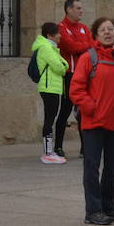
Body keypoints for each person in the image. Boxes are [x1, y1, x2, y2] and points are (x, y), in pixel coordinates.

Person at [68, 17, 114, 225]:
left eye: (111, 29)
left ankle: (108, 207)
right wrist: (91, 108)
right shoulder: (89, 57)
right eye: (103, 30)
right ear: (95, 34)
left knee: (112, 167)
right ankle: (93, 211)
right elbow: (76, 89)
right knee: (92, 167)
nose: (107, 32)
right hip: (94, 122)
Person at [55, 0, 94, 158]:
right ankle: (58, 147)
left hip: (85, 74)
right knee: (64, 111)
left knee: (83, 112)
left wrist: (83, 46)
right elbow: (71, 47)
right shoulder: (61, 27)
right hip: (69, 75)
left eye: (81, 8)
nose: (81, 11)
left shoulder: (84, 28)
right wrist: (84, 46)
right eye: (78, 8)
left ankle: (85, 148)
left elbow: (92, 45)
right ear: (69, 9)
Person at [31, 21, 69, 163]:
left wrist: (64, 65)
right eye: (58, 33)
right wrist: (64, 66)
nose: (60, 35)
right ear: (49, 35)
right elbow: (60, 67)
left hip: (53, 88)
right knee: (49, 119)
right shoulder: (46, 48)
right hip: (49, 88)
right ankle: (48, 153)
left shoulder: (51, 48)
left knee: (50, 118)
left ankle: (49, 151)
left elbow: (63, 64)